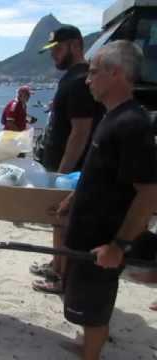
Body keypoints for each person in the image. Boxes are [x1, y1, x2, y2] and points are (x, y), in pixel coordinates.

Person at [57, 40, 157, 360]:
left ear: (115, 73)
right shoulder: (111, 116)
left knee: (95, 305)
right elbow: (99, 170)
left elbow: (149, 192)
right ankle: (87, 344)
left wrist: (119, 246)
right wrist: (74, 197)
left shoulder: (133, 124)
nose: (87, 79)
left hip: (103, 241)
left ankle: (91, 355)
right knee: (84, 301)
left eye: (94, 72)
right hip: (87, 234)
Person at [31, 25, 105, 294]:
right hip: (62, 165)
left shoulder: (79, 81)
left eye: (58, 49)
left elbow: (81, 131)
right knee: (58, 221)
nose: (54, 56)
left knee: (65, 222)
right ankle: (56, 264)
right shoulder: (72, 78)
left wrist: (61, 173)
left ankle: (61, 277)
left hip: (71, 171)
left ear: (75, 45)